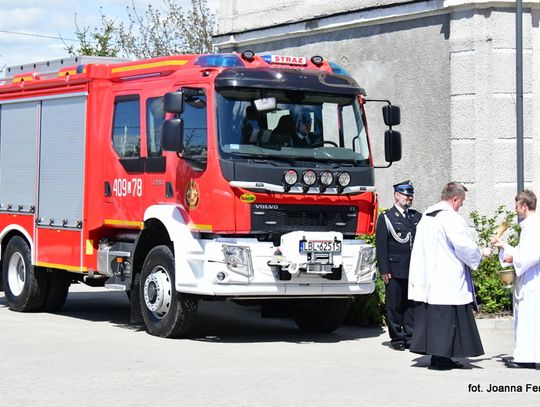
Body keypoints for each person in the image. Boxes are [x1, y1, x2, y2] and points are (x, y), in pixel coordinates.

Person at [408, 182, 491, 370]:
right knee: (448, 321)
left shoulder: (427, 216)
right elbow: (464, 246)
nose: (461, 206)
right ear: (455, 199)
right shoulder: (450, 218)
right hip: (447, 276)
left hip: (429, 276)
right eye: (461, 202)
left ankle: (439, 357)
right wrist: (481, 253)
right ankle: (442, 359)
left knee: (437, 320)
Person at [492, 189, 540, 369]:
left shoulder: (534, 225)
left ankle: (527, 358)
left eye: (517, 206)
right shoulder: (529, 224)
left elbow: (533, 255)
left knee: (531, 317)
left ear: (525, 206)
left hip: (533, 280)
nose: (515, 209)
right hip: (528, 277)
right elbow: (523, 252)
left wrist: (514, 258)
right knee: (526, 317)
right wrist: (503, 246)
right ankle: (524, 355)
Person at [376, 180, 422, 351]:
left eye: (411, 194)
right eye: (405, 194)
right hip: (394, 269)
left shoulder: (416, 216)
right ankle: (397, 338)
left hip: (413, 268)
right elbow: (381, 246)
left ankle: (410, 336)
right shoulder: (387, 217)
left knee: (411, 304)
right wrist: (384, 269)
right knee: (394, 305)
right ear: (396, 195)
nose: (409, 197)